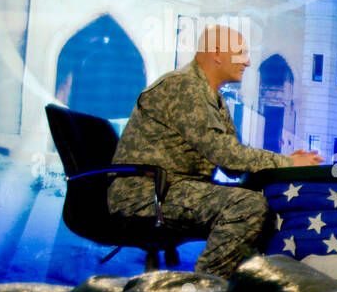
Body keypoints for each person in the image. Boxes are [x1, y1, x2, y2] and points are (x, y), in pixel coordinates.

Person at [107, 25, 321, 278]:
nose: (248, 61)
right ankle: (206, 288)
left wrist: (288, 161)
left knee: (266, 200)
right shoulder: (183, 86)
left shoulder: (212, 97)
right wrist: (288, 162)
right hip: (145, 195)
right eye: (241, 53)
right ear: (218, 53)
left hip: (174, 189)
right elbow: (226, 154)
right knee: (247, 206)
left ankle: (245, 286)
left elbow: (232, 164)